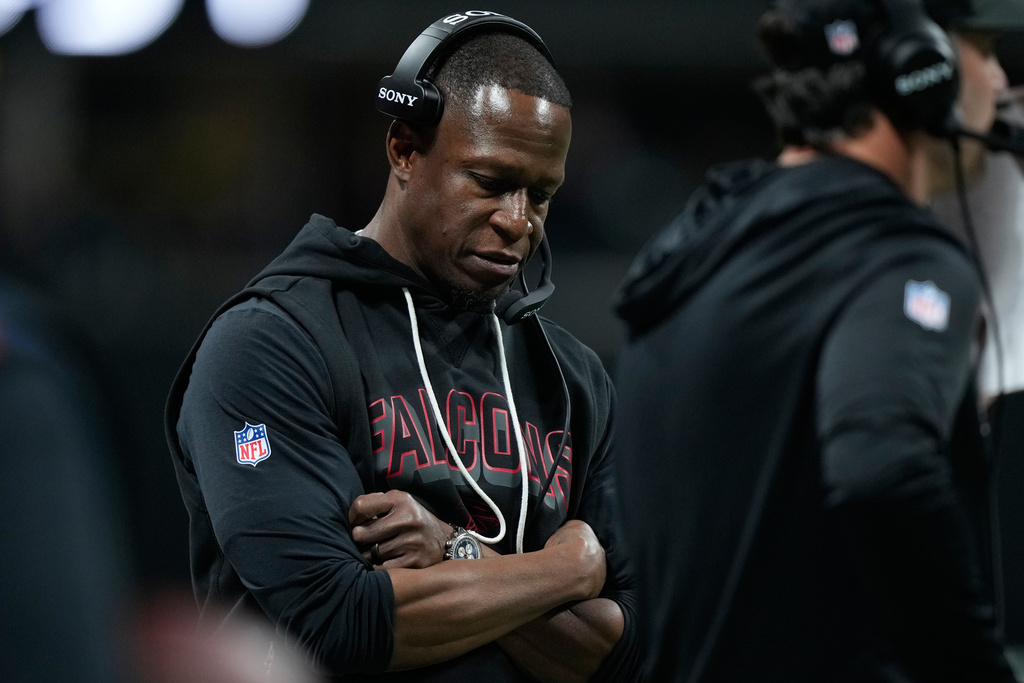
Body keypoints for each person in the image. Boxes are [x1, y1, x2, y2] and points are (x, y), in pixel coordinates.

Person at [164, 11, 637, 681]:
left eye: (543, 193)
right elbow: (335, 622)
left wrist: (454, 549)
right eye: (491, 181)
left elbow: (631, 655)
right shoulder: (269, 344)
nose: (518, 221)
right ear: (404, 149)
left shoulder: (573, 377)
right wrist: (569, 567)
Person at [612, 0, 1020, 681]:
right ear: (922, 67)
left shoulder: (689, 256)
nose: (1002, 82)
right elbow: (883, 467)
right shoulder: (897, 255)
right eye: (983, 48)